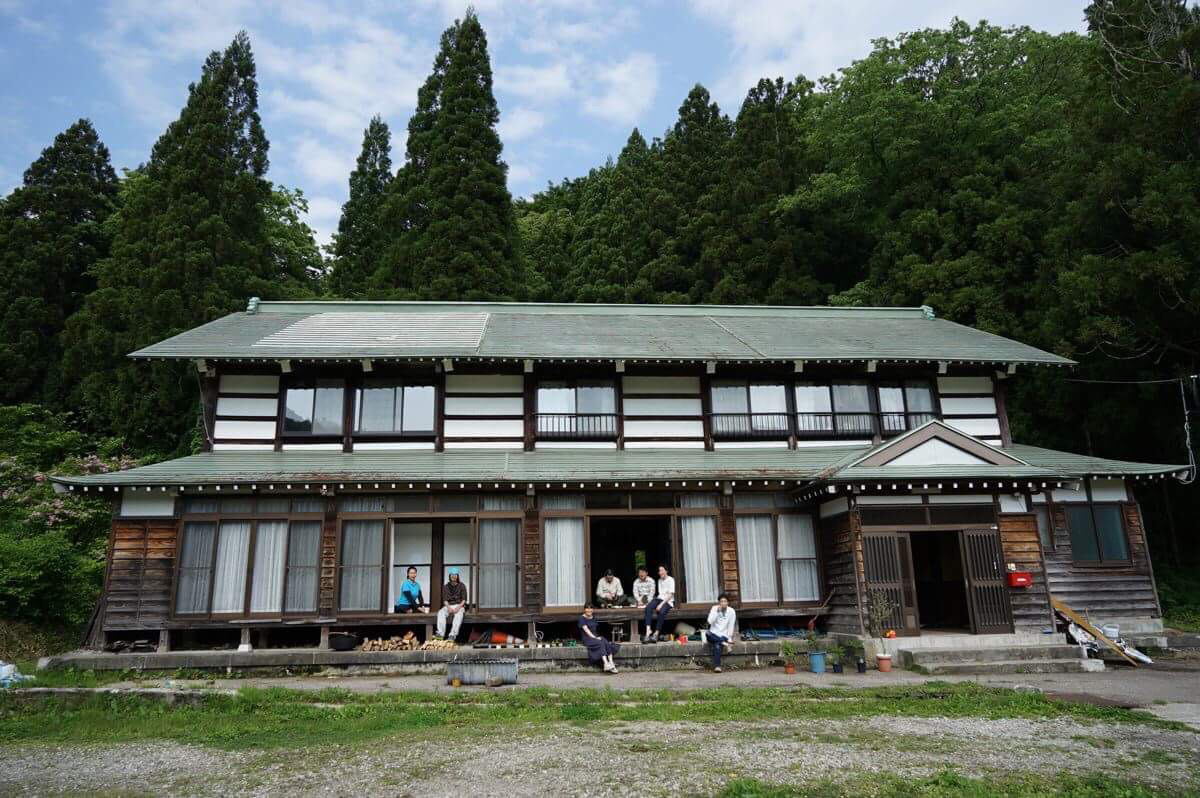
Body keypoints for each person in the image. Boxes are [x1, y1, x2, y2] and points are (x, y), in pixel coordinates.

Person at [578, 603, 620, 673]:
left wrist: (597, 637)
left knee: (605, 641)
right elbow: (587, 630)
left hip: (595, 636)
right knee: (600, 643)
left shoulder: (593, 617)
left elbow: (595, 630)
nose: (589, 610)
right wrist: (595, 638)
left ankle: (611, 663)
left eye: (591, 608)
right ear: (584, 609)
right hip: (587, 638)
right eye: (587, 608)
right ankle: (606, 663)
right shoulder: (581, 618)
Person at [703, 593, 737, 673]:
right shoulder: (714, 608)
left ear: (727, 603)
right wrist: (717, 612)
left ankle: (717, 666)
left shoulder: (731, 611)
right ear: (719, 603)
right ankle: (724, 644)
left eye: (725, 601)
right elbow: (709, 621)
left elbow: (731, 626)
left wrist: (729, 638)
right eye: (721, 601)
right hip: (713, 634)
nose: (723, 603)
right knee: (707, 633)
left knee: (717, 645)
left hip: (723, 636)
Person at [642, 565, 675, 643]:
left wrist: (660, 605)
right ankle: (648, 631)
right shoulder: (659, 580)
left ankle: (656, 633)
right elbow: (661, 594)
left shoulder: (671, 580)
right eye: (659, 571)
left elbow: (670, 595)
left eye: (662, 570)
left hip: (668, 601)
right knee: (648, 607)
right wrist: (657, 602)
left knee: (661, 611)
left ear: (666, 571)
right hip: (659, 599)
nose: (660, 572)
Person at [436, 567, 469, 641]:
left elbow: (464, 600)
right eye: (452, 575)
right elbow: (445, 600)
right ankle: (440, 634)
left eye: (455, 575)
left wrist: (458, 607)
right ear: (449, 576)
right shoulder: (446, 586)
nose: (453, 576)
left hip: (459, 605)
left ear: (457, 576)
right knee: (441, 612)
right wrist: (448, 607)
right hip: (448, 605)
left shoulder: (462, 585)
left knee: (459, 615)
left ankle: (452, 635)